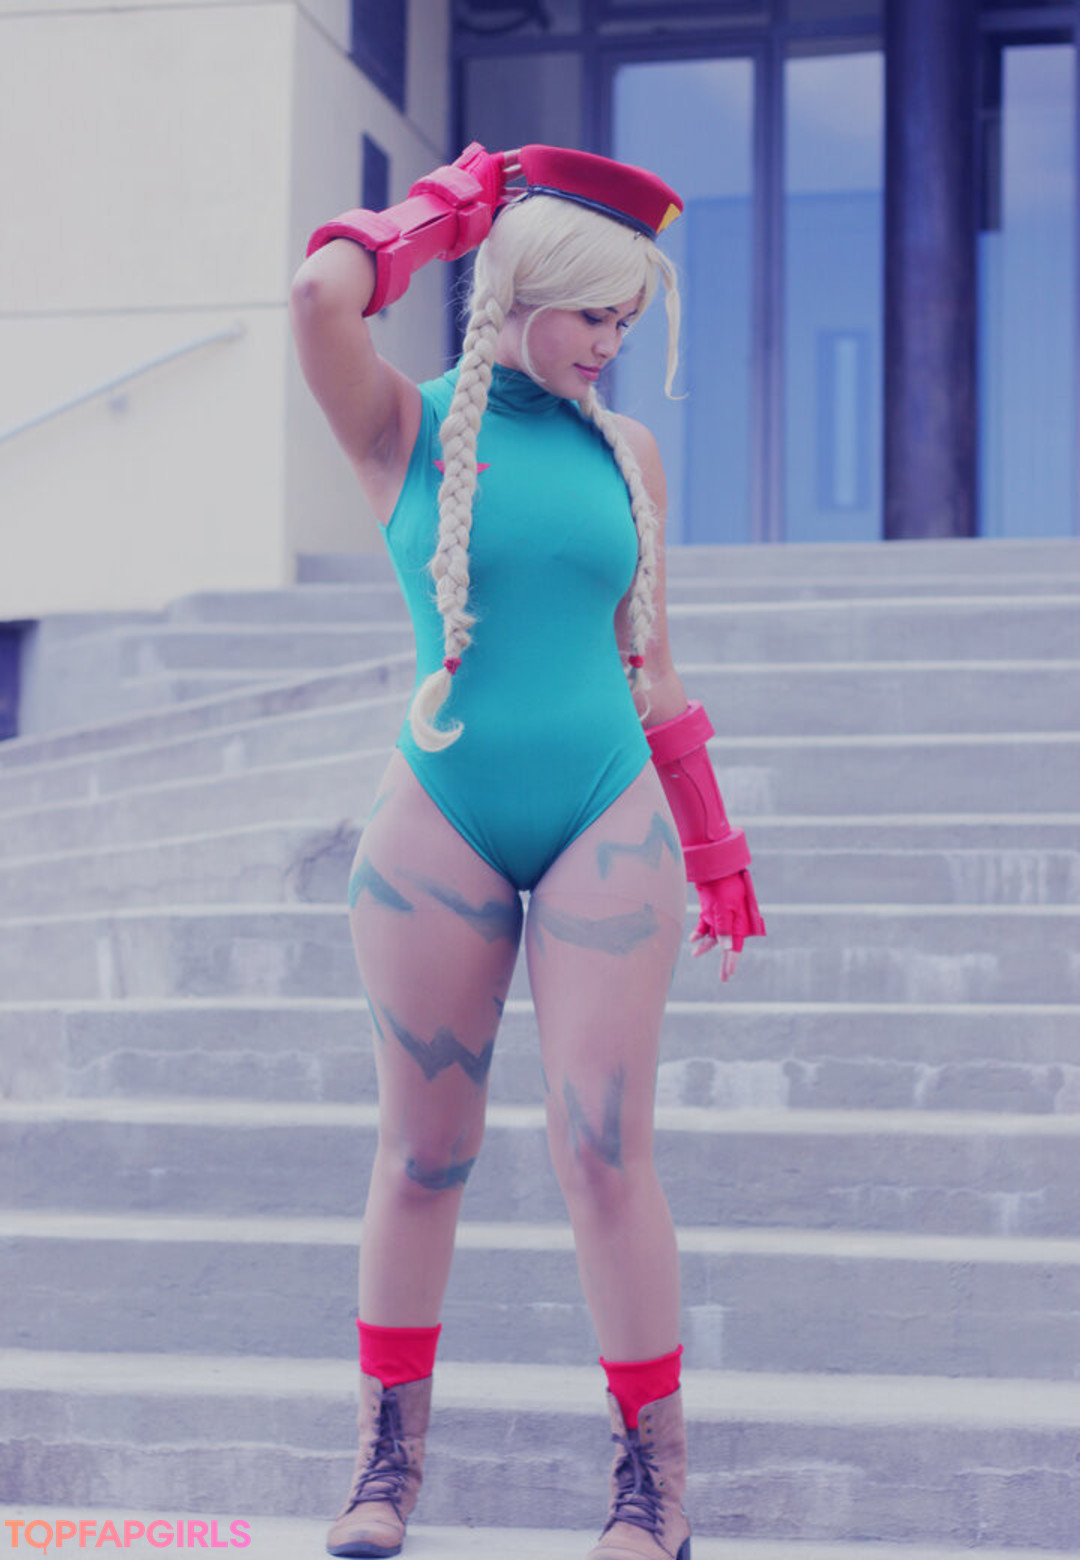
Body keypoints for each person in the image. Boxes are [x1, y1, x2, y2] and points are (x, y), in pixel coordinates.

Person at [290, 141, 766, 1560]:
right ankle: (383, 1465)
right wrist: (451, 212)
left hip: (603, 812)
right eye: (594, 315)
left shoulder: (631, 458)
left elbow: (653, 671)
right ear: (523, 291)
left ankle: (654, 1488)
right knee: (422, 1151)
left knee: (607, 1150)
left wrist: (716, 845)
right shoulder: (403, 426)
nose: (613, 345)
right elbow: (319, 297)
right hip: (440, 811)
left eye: (630, 320)